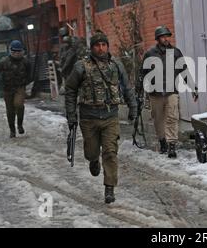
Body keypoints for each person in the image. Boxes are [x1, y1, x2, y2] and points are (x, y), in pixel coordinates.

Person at [65, 31, 137, 204]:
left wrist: (132, 106)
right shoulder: (81, 66)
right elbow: (70, 90)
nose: (101, 48)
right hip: (88, 117)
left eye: (104, 45)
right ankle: (93, 161)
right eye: (97, 45)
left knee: (111, 152)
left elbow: (126, 87)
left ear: (107, 46)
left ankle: (109, 188)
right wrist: (71, 115)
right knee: (91, 151)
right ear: (92, 48)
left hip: (110, 116)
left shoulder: (116, 65)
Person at [137, 26, 197, 159]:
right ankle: (162, 141)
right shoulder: (150, 53)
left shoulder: (175, 52)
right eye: (163, 36)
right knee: (158, 119)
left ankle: (171, 145)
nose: (166, 39)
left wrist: (193, 87)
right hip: (155, 92)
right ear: (158, 38)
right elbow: (142, 74)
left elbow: (184, 71)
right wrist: (139, 92)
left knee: (172, 117)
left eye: (167, 36)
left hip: (171, 91)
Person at [0, 40, 32, 138]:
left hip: (20, 87)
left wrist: (27, 84)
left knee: (19, 105)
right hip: (7, 89)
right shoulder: (4, 62)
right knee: (10, 111)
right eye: (15, 51)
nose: (17, 54)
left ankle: (19, 125)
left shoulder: (25, 62)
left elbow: (30, 74)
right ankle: (12, 131)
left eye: (19, 51)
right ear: (11, 51)